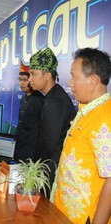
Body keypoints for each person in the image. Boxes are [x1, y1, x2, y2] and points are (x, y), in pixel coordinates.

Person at [50, 48, 111, 224]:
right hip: (66, 214)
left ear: (93, 80)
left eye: (74, 77)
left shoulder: (105, 118)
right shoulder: (88, 110)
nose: (70, 83)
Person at [28, 47, 76, 197]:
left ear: (47, 75)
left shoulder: (55, 101)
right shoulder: (53, 96)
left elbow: (47, 145)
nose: (30, 79)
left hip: (50, 173)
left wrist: (32, 171)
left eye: (33, 74)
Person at [14, 62, 44, 162]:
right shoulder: (23, 98)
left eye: (25, 80)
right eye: (20, 79)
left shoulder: (39, 100)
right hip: (20, 147)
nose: (21, 83)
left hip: (31, 152)